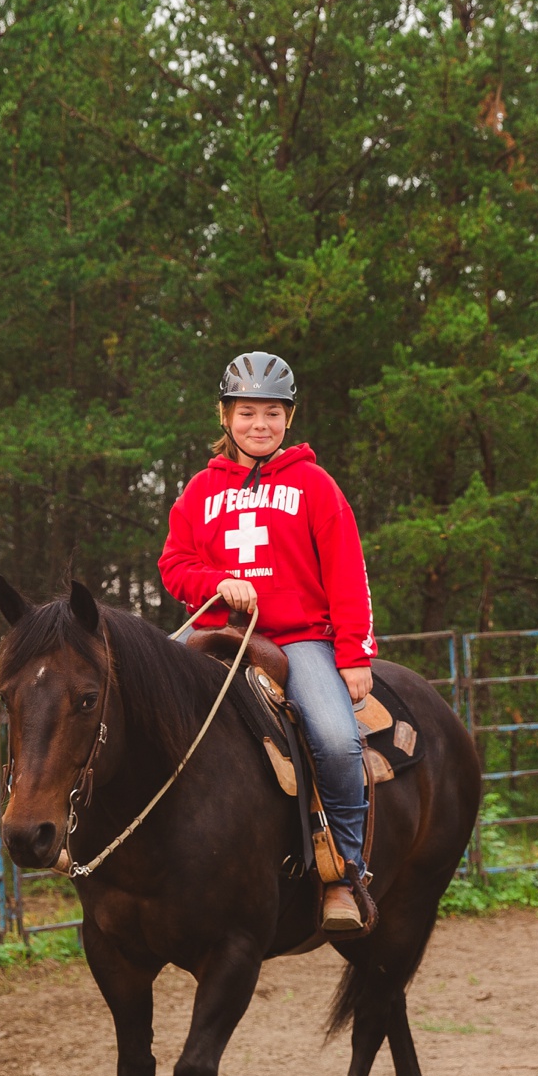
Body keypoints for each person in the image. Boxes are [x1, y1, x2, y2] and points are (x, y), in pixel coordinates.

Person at [158, 351, 376, 932]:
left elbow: (347, 572)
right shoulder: (200, 491)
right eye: (248, 412)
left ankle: (345, 874)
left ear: (290, 417)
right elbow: (174, 564)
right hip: (218, 633)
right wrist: (217, 582)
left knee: (334, 739)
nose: (261, 424)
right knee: (138, 704)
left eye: (273, 413)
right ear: (225, 416)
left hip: (299, 639)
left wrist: (353, 655)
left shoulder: (313, 484)